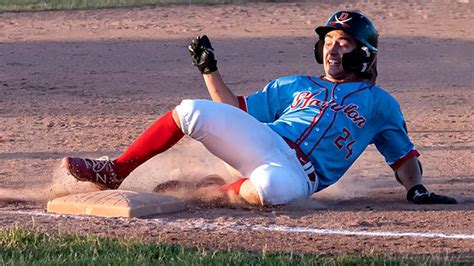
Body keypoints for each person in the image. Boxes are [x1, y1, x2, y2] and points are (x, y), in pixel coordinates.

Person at [63, 11, 457, 206]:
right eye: (329, 40)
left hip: (299, 175)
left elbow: (402, 155)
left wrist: (416, 189)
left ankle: (213, 192)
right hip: (265, 140)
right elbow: (234, 110)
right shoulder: (296, 85)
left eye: (344, 43)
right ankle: (116, 170)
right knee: (191, 111)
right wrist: (209, 71)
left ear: (365, 55)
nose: (332, 48)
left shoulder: (380, 104)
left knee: (268, 190)